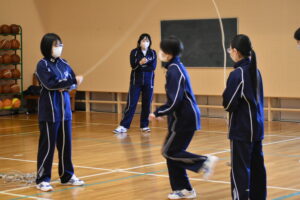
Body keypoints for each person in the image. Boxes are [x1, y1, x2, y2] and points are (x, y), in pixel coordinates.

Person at [149, 36, 218, 199]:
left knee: (169, 151)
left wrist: (158, 112)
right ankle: (184, 189)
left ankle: (203, 161)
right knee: (173, 152)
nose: (160, 53)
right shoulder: (174, 67)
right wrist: (166, 112)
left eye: (162, 50)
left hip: (185, 118)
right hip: (182, 117)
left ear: (168, 53)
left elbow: (175, 101)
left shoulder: (174, 70)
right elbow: (175, 101)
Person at [35, 33, 84, 192]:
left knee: (66, 145)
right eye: (56, 45)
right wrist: (69, 83)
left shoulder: (64, 63)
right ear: (48, 47)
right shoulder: (42, 65)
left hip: (65, 111)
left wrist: (70, 84)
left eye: (60, 44)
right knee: (47, 147)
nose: (59, 48)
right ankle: (42, 179)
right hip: (49, 111)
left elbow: (72, 83)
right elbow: (50, 84)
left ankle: (67, 176)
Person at [223, 34, 266, 200]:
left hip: (242, 131)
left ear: (235, 51)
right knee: (257, 170)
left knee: (239, 172)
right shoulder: (256, 71)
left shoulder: (238, 74)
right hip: (257, 129)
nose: (230, 53)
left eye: (230, 50)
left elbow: (228, 104)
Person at [114, 33, 157, 134]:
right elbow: (133, 66)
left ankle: (144, 125)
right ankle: (124, 126)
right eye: (143, 40)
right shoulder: (134, 52)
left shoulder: (153, 53)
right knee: (131, 103)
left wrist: (142, 66)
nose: (145, 42)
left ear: (150, 42)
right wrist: (140, 63)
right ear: (139, 42)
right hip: (135, 82)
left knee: (147, 104)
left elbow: (152, 67)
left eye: (147, 40)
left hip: (148, 82)